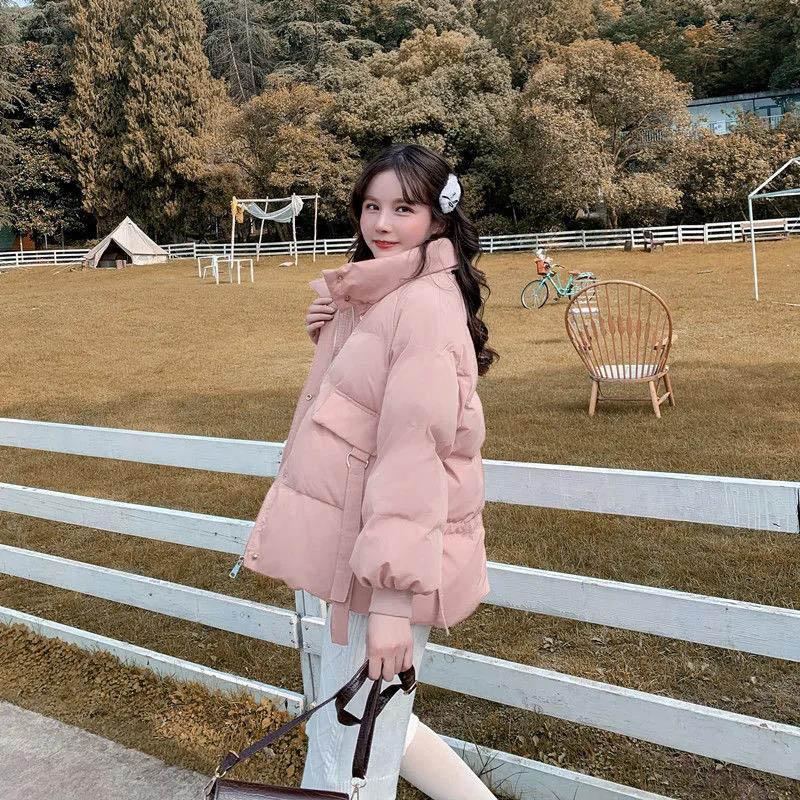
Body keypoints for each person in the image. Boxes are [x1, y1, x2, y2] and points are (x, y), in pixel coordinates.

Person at [242, 143, 499, 799]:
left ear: (438, 218)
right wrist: (333, 333)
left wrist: (389, 603)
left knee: (352, 761)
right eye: (371, 206)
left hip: (379, 569)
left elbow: (414, 460)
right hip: (359, 552)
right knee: (360, 735)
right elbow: (363, 409)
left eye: (404, 209)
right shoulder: (389, 294)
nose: (382, 224)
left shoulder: (422, 309)